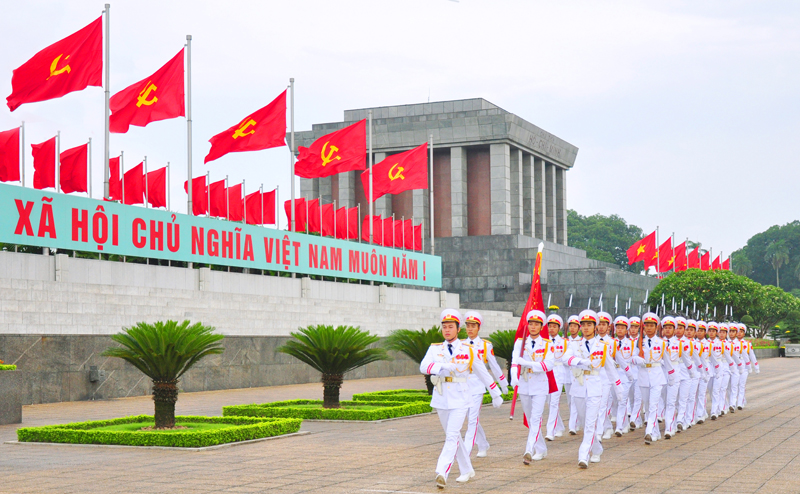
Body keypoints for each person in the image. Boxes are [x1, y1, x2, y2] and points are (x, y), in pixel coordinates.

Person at [420, 309, 503, 489]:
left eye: (451, 327)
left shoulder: (469, 350)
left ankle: (442, 471)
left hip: (460, 398)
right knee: (454, 435)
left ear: (459, 329)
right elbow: (424, 366)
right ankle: (467, 470)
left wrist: (496, 393)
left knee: (451, 436)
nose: (447, 330)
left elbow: (483, 373)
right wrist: (444, 365)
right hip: (441, 397)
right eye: (444, 327)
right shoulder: (435, 348)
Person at [562, 310, 626, 468]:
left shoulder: (602, 347)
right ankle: (597, 449)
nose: (585, 328)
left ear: (595, 327)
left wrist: (619, 392)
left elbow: (611, 370)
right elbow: (565, 358)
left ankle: (583, 455)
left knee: (591, 423)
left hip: (595, 388)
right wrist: (580, 362)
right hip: (579, 387)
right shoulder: (574, 344)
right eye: (583, 325)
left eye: (589, 325)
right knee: (585, 423)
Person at [510, 310, 555, 464]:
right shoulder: (520, 343)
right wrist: (513, 376)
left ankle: (529, 450)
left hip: (540, 384)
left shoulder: (548, 344)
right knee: (530, 420)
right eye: (531, 323)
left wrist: (528, 364)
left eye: (536, 324)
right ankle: (541, 449)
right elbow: (515, 360)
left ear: (541, 326)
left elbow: (548, 365)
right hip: (524, 384)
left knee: (536, 418)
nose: (533, 326)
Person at [462, 310, 509, 458]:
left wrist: (503, 385)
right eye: (468, 325)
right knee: (470, 418)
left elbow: (494, 366)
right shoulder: (460, 344)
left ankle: (466, 451)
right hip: (463, 385)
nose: (470, 329)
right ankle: (483, 444)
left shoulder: (485, 345)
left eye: (473, 326)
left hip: (477, 385)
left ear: (479, 328)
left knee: (473, 419)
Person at [631, 312, 675, 444]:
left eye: (652, 326)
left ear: (656, 328)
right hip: (643, 376)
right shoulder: (639, 342)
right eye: (647, 326)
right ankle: (655, 433)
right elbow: (632, 358)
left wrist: (671, 377)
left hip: (657, 377)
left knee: (654, 405)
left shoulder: (661, 343)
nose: (649, 328)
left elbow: (667, 361)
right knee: (649, 404)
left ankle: (649, 431)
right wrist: (636, 359)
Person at [612, 315, 635, 436]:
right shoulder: (611, 342)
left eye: (622, 328)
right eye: (618, 327)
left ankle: (619, 427)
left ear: (626, 330)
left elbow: (634, 357)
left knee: (622, 400)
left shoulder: (631, 343)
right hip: (614, 374)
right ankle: (624, 422)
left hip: (625, 374)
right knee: (615, 400)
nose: (620, 330)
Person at [545, 314, 567, 441]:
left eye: (554, 327)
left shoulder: (564, 342)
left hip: (558, 372)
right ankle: (559, 426)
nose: (552, 329)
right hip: (547, 372)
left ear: (559, 328)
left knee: (554, 402)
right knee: (549, 402)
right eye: (550, 326)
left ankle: (550, 431)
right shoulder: (544, 341)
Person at [595, 311, 616, 440]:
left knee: (603, 405)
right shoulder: (592, 341)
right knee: (597, 405)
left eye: (604, 324)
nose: (601, 327)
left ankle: (598, 433)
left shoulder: (612, 342)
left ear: (609, 327)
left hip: (607, 377)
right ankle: (607, 427)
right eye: (599, 324)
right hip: (594, 376)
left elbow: (618, 359)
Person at [707, 321, 731, 420]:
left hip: (719, 367)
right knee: (710, 390)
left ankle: (715, 411)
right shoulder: (704, 343)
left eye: (714, 331)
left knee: (718, 389)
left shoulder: (722, 344)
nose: (712, 333)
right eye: (710, 331)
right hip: (708, 367)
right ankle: (716, 406)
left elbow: (729, 357)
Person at [565, 315, 583, 435]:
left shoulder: (582, 341)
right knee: (570, 401)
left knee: (576, 399)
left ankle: (573, 425)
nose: (572, 328)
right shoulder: (565, 341)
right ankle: (576, 422)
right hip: (566, 373)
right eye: (570, 326)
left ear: (579, 328)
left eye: (575, 326)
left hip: (579, 374)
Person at [736, 324, 759, 409]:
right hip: (734, 365)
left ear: (744, 334)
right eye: (738, 331)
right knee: (734, 385)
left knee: (742, 384)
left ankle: (740, 403)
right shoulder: (731, 343)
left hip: (744, 365)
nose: (739, 333)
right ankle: (739, 400)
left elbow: (752, 355)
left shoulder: (747, 344)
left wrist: (756, 366)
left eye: (741, 332)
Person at [627, 316, 643, 430]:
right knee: (631, 399)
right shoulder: (625, 342)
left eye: (635, 327)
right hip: (628, 374)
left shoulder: (641, 341)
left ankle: (633, 419)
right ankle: (637, 420)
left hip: (639, 373)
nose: (633, 330)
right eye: (631, 327)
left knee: (638, 398)